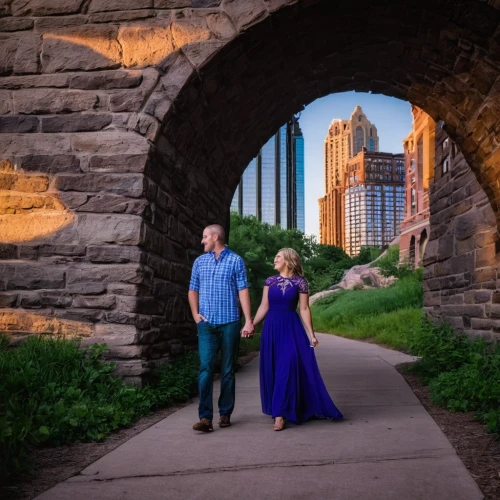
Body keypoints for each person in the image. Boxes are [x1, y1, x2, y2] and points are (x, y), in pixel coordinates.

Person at [250, 248, 343, 431]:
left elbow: (304, 309)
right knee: (274, 370)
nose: (274, 259)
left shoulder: (301, 282)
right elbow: (264, 306)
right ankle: (280, 410)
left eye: (278, 256)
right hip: (272, 329)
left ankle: (279, 415)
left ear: (288, 260)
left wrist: (312, 334)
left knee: (287, 367)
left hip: (292, 329)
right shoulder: (270, 281)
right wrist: (251, 324)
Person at [188, 224, 254, 432]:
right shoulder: (199, 262)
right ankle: (205, 418)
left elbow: (243, 291)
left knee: (227, 370)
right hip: (206, 323)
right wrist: (195, 315)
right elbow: (192, 290)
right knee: (206, 368)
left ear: (216, 237)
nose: (202, 240)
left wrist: (248, 320)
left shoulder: (236, 261)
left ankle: (225, 414)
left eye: (205, 237)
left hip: (230, 322)